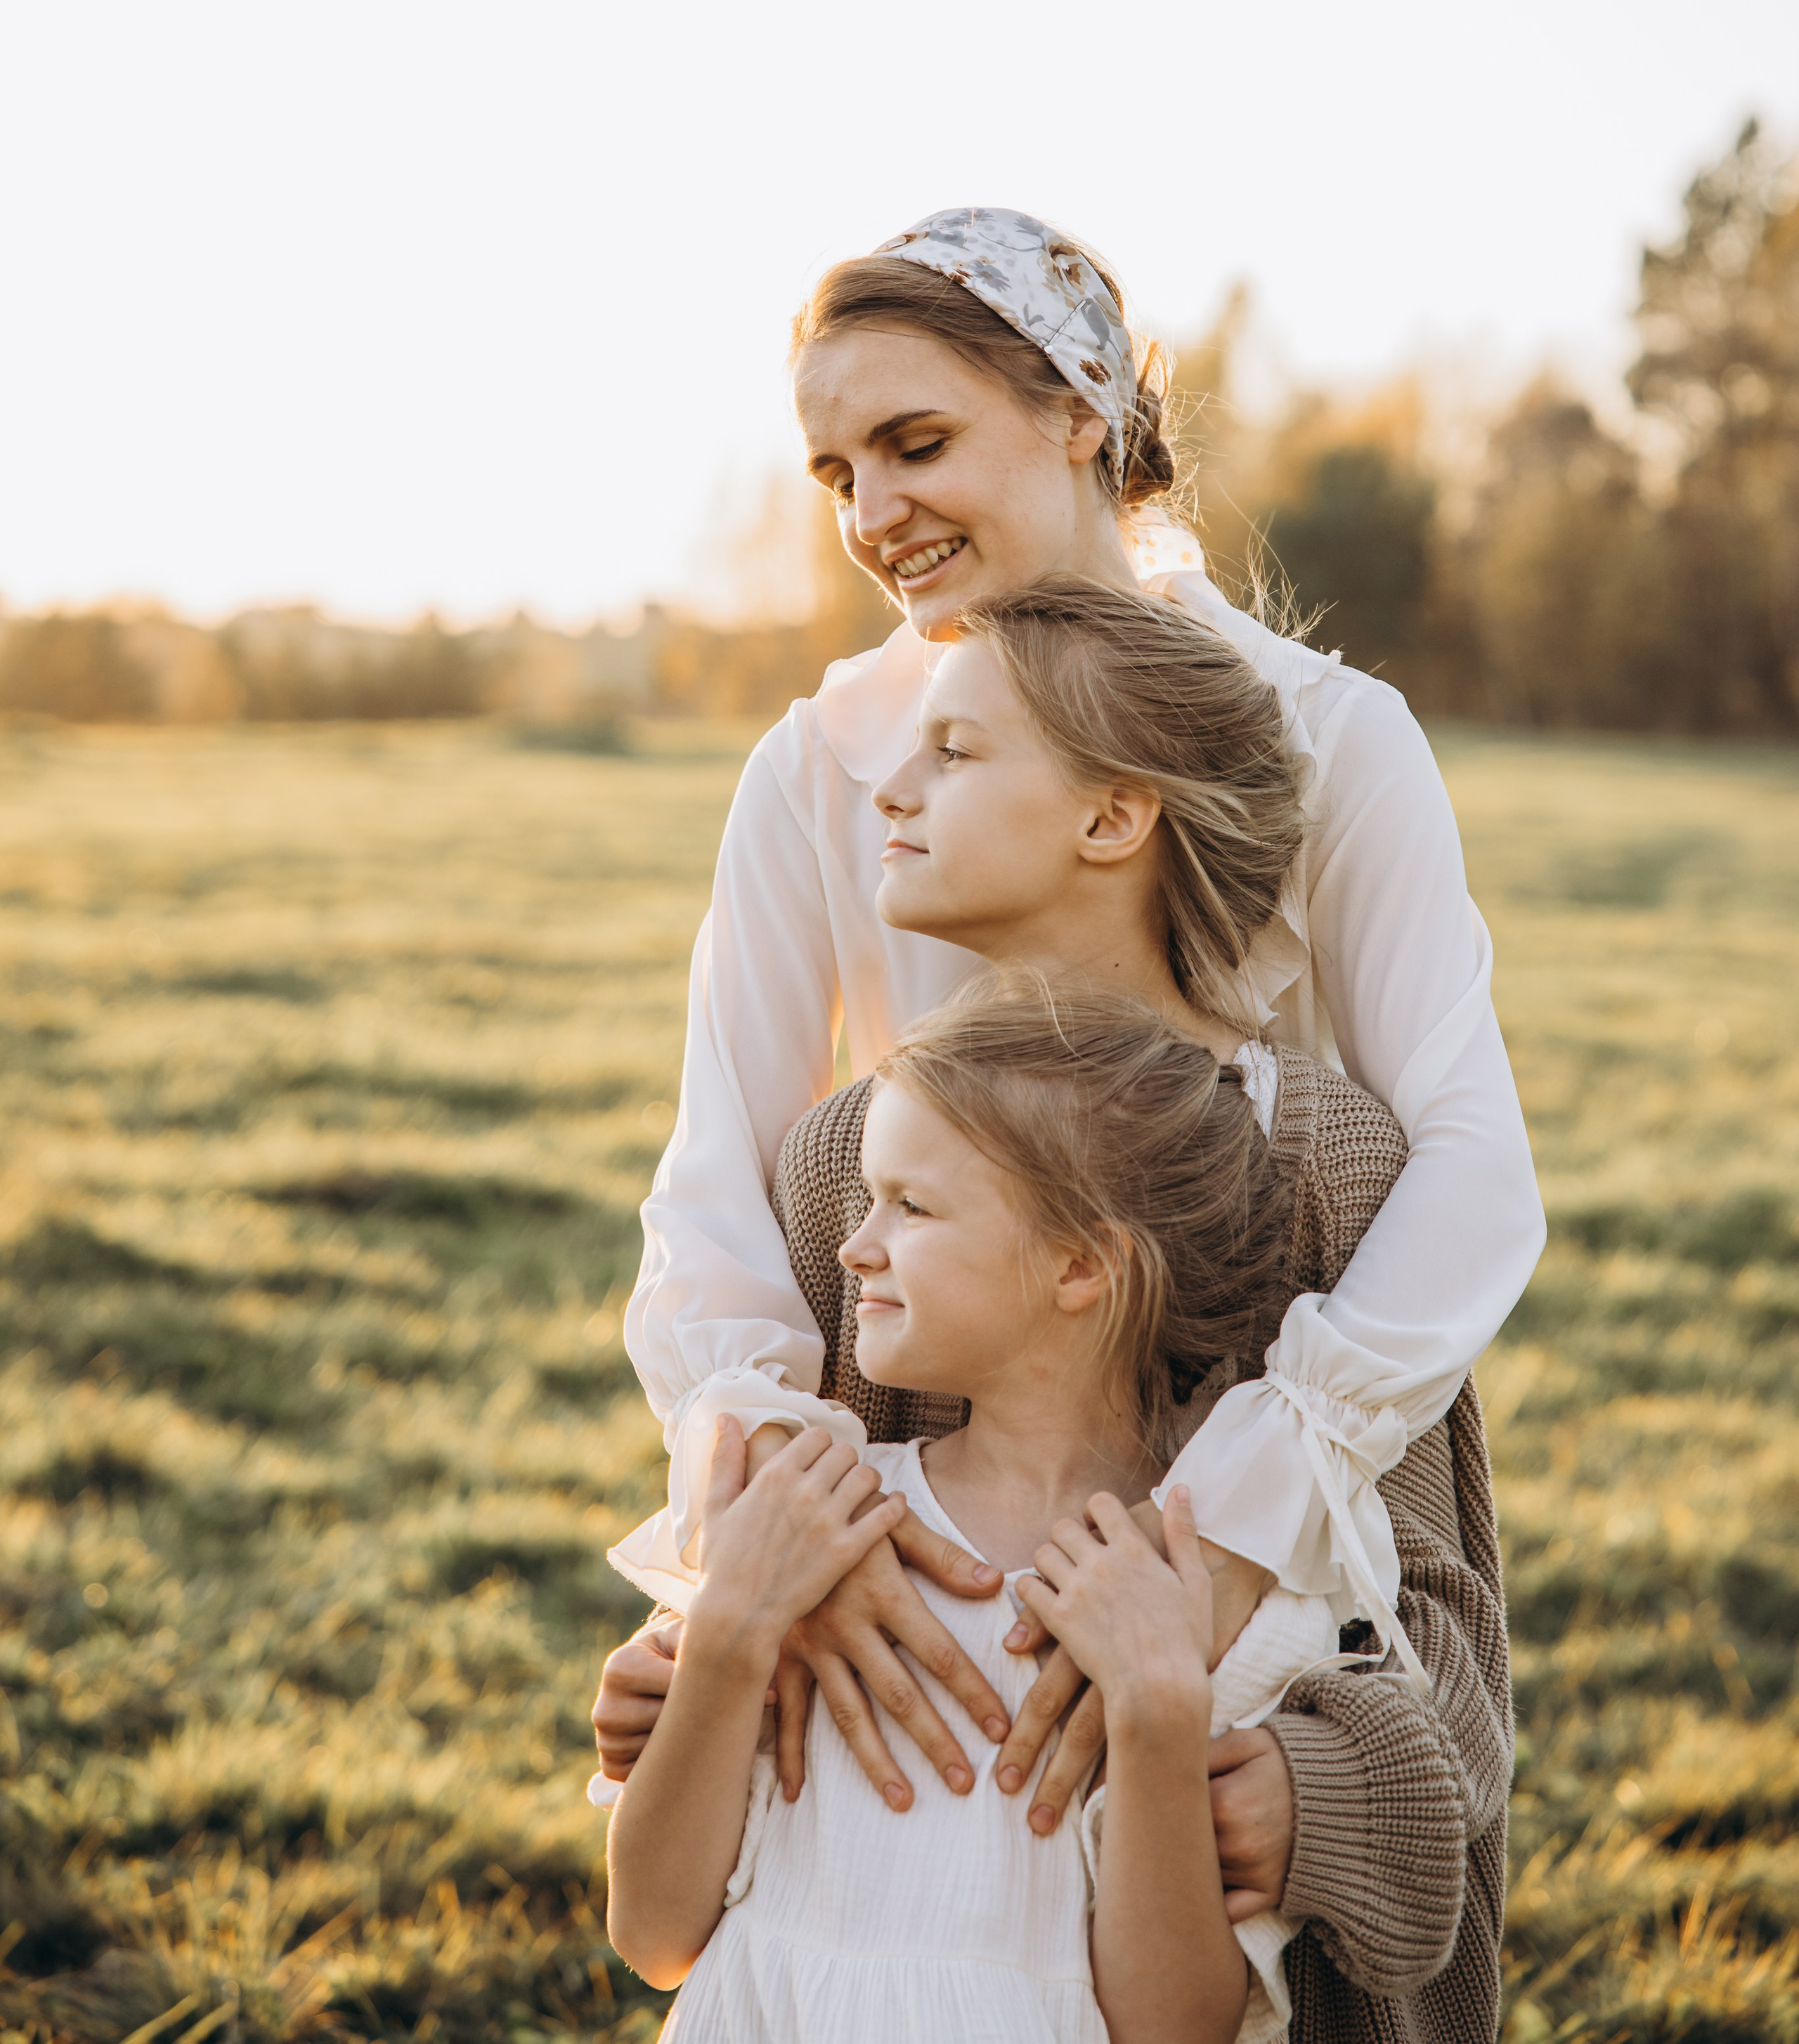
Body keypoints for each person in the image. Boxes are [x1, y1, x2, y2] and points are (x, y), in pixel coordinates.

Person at [599, 207, 1541, 1886]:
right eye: (834, 475)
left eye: (914, 442)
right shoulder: (824, 771)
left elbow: (1462, 1164)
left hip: (1234, 1463)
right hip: (928, 1483)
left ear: (1078, 415)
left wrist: (1246, 1511)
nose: (871, 514)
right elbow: (721, 1195)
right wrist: (782, 1527)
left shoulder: (1328, 738)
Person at [605, 973, 1330, 2044]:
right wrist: (730, 1631)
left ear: (1080, 1265)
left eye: (911, 1205)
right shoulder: (818, 1529)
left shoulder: (1203, 1582)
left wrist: (1158, 1705)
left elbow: (1176, 2028)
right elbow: (654, 1933)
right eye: (867, 1199)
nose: (854, 1246)